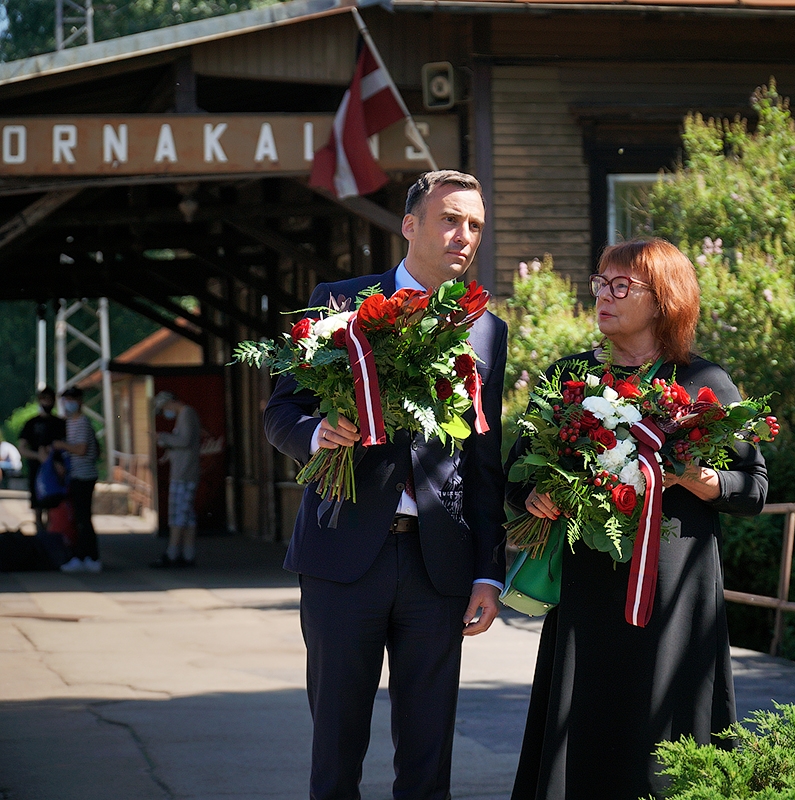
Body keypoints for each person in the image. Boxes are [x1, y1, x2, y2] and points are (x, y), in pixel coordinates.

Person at [263, 170, 508, 800]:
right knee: (338, 749)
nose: (464, 236)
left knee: (429, 756)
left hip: (439, 566)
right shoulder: (340, 303)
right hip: (343, 556)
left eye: (475, 225)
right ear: (409, 225)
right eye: (450, 219)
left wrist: (488, 571)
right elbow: (279, 414)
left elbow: (482, 461)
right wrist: (319, 434)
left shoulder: (486, 329)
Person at [507, 239, 769, 800]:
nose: (603, 294)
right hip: (589, 586)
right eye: (600, 282)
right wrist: (535, 495)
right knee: (584, 725)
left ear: (664, 299)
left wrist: (704, 481)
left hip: (675, 590)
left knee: (669, 733)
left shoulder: (706, 382)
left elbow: (754, 487)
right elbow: (516, 472)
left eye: (621, 285)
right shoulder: (569, 378)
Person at [149, 392, 202, 568]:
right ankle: (188, 554)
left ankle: (172, 553)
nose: (165, 412)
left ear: (170, 403)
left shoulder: (186, 413)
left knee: (177, 515)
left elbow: (185, 440)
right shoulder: (186, 414)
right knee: (187, 516)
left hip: (184, 473)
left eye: (164, 408)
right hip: (185, 471)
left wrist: (162, 438)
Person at [52, 386, 101, 574]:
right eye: (65, 400)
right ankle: (81, 556)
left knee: (83, 519)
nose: (68, 404)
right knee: (77, 519)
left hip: (84, 476)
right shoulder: (68, 423)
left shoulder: (82, 422)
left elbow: (82, 449)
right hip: (74, 476)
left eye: (71, 399)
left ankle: (91, 557)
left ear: (80, 401)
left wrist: (62, 445)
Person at [18, 387, 66, 526]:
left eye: (49, 399)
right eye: (44, 399)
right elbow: (22, 448)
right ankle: (40, 537)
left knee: (54, 507)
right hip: (36, 470)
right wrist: (38, 456)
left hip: (56, 469)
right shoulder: (31, 423)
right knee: (38, 507)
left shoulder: (60, 423)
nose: (46, 403)